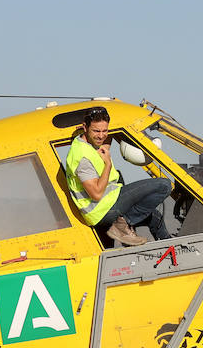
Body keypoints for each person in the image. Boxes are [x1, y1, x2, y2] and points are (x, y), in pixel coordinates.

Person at [64, 106, 174, 247]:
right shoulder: (81, 157)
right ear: (84, 127)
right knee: (163, 185)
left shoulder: (90, 143)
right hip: (102, 208)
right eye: (96, 131)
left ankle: (170, 247)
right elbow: (96, 194)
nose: (101, 135)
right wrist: (108, 165)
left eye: (105, 131)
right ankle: (122, 226)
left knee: (154, 217)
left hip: (108, 200)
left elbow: (104, 143)